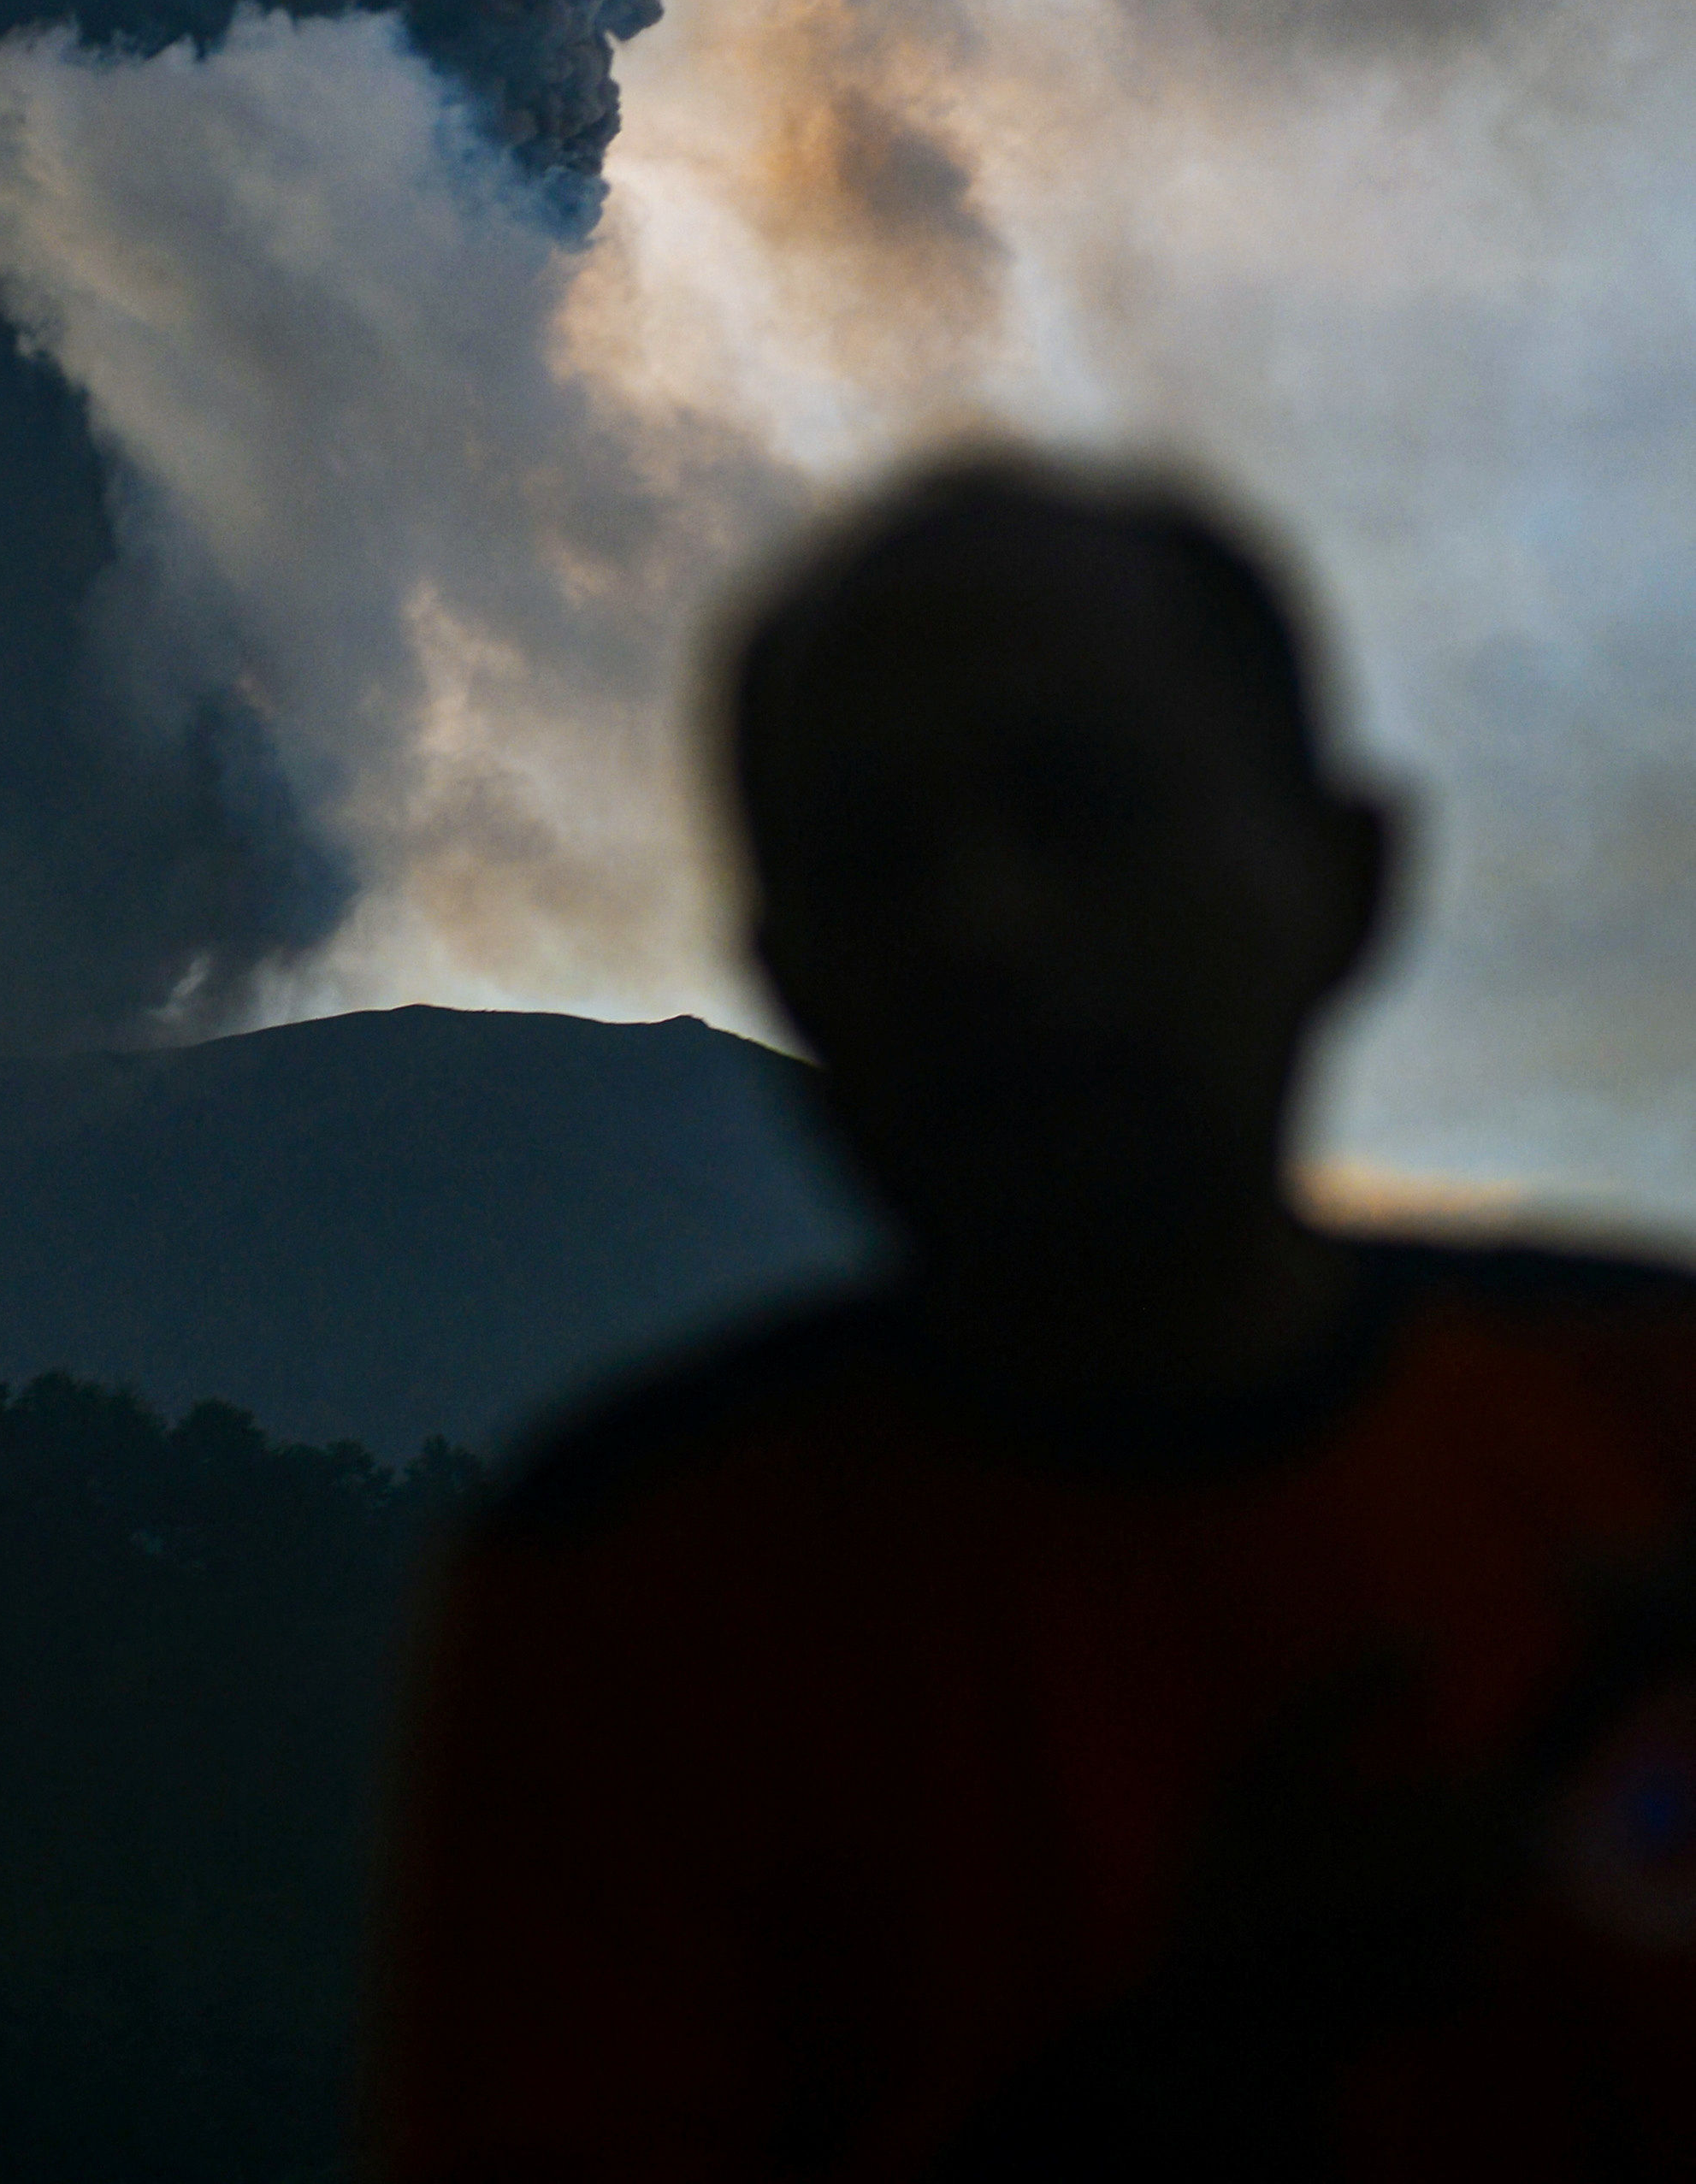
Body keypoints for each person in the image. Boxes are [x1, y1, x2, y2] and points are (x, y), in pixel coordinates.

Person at [369, 456, 1696, 2181]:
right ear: (787, 976)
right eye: (872, 857)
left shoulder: (1648, 1436)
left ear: (1345, 876)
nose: (979, 926)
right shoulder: (631, 1602)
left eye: (1080, 807)